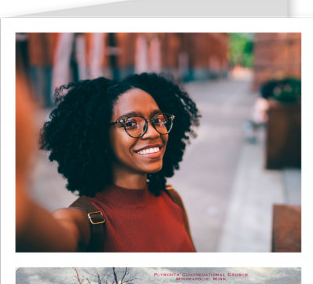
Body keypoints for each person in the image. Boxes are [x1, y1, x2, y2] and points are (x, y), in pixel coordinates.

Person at [18, 72, 200, 252]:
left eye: (158, 119)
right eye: (131, 123)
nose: (153, 132)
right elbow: (41, 234)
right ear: (101, 137)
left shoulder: (172, 199)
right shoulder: (83, 222)